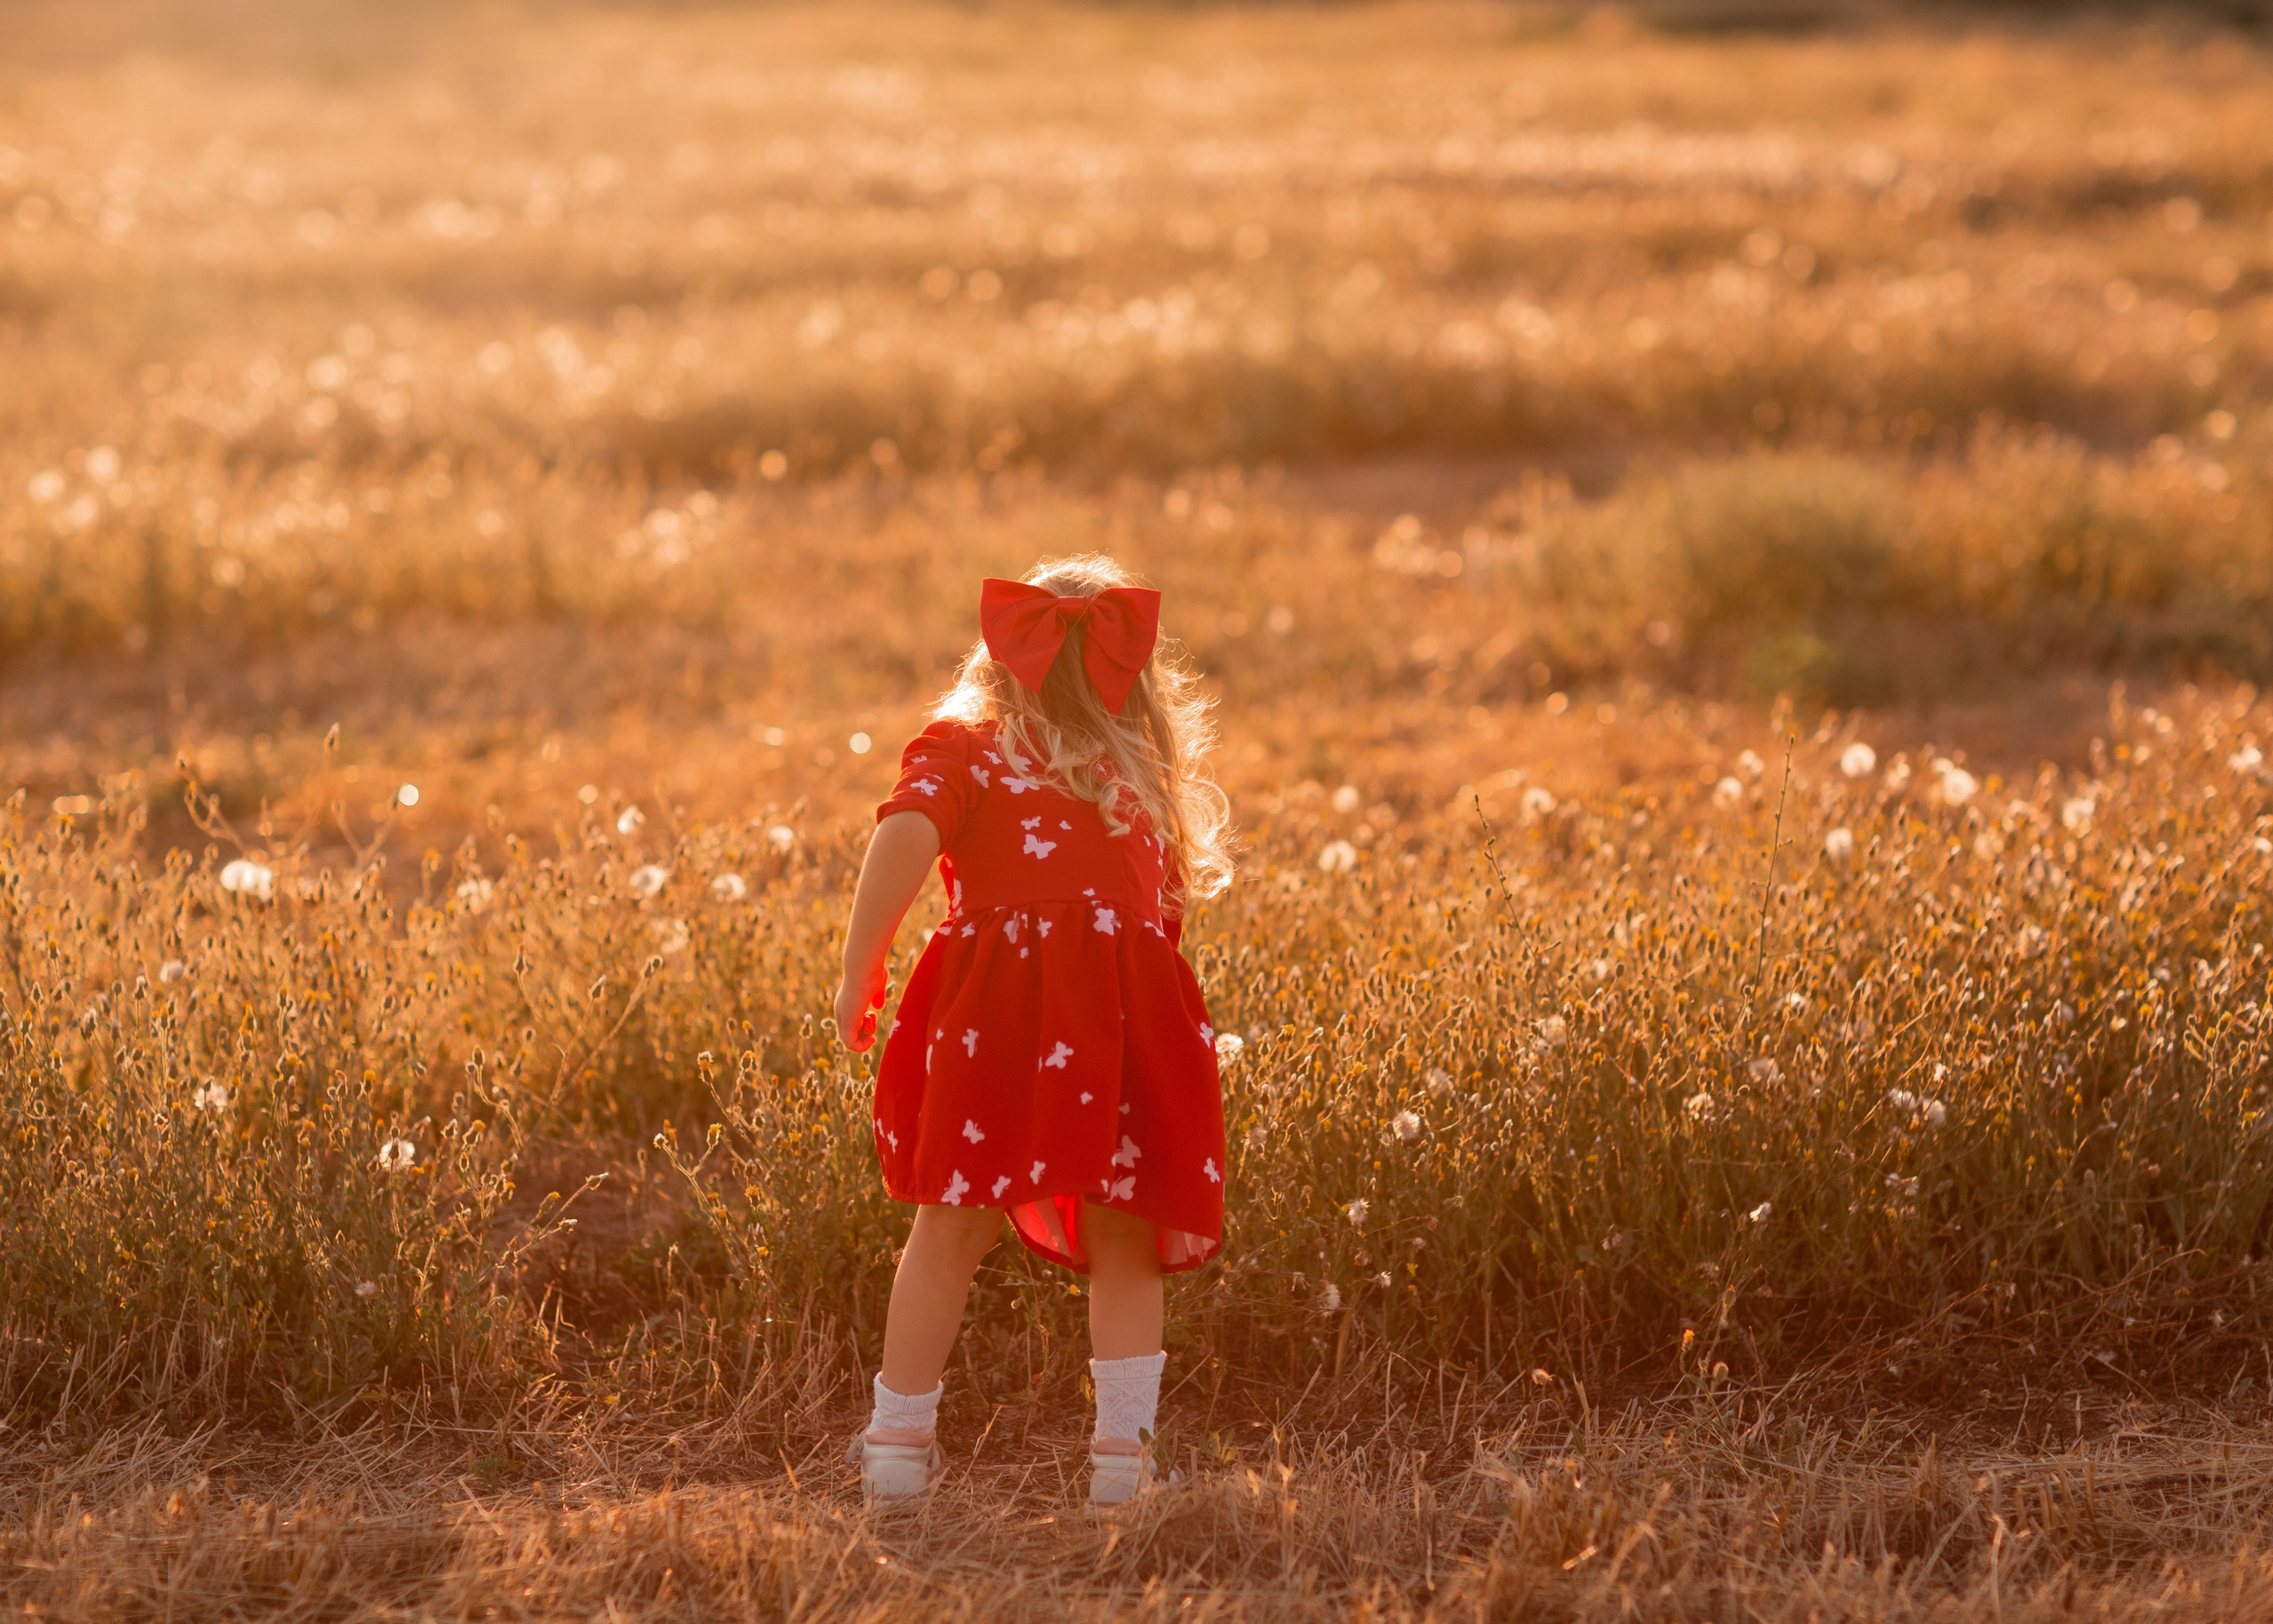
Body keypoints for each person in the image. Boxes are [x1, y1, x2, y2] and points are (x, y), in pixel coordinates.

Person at [833, 555, 1236, 1506]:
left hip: (994, 1017)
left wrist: (863, 963)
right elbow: (1156, 920)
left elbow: (903, 832)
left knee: (949, 1223)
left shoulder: (966, 744)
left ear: (1000, 657)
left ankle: (896, 1444)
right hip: (1119, 1021)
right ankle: (1121, 1464)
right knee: (1125, 1235)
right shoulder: (1135, 770)